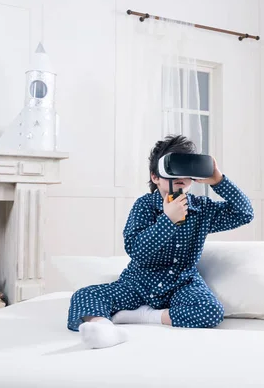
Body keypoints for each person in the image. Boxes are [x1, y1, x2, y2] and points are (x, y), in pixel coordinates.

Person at [67, 135, 254, 349]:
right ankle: (103, 328)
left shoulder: (202, 209)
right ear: (155, 177)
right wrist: (168, 221)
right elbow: (136, 250)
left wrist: (218, 181)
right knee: (85, 295)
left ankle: (141, 316)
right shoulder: (145, 206)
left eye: (187, 170)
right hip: (138, 283)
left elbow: (244, 213)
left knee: (211, 311)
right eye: (174, 169)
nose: (181, 176)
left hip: (182, 283)